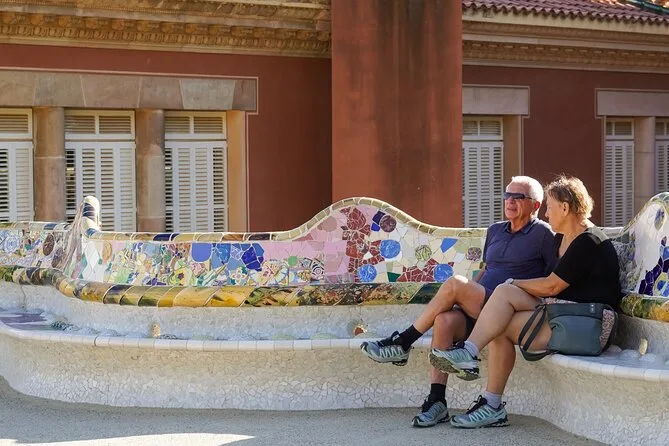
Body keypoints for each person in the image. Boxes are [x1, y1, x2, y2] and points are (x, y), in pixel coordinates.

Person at [360, 176, 557, 427]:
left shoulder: (544, 234)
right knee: (444, 320)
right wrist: (463, 299)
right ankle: (436, 401)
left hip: (507, 307)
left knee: (455, 284)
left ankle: (403, 342)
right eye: (507, 195)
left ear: (536, 205)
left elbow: (551, 280)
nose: (510, 201)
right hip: (481, 305)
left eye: (518, 197)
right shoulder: (495, 230)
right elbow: (486, 269)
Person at [430, 175, 621, 429]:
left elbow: (552, 285)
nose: (546, 214)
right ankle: (488, 397)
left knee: (505, 295)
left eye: (550, 207)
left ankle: (472, 361)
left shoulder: (589, 241)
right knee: (500, 317)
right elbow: (550, 287)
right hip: (563, 315)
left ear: (565, 208)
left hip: (590, 323)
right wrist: (513, 284)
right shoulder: (561, 239)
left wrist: (515, 281)